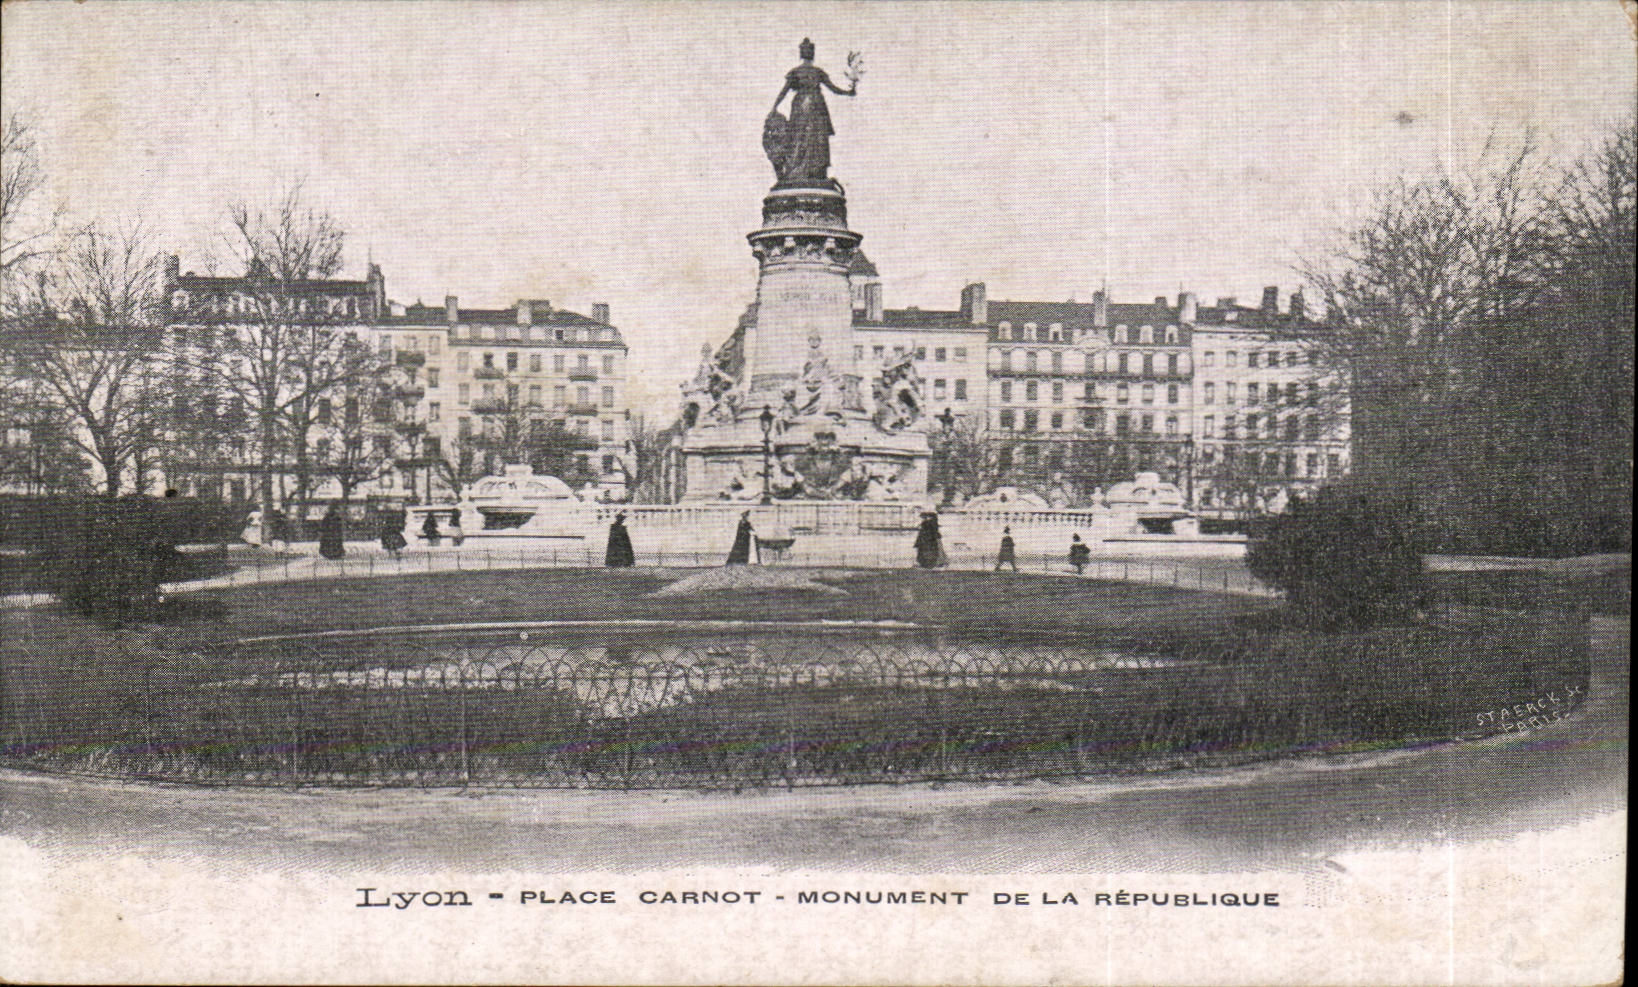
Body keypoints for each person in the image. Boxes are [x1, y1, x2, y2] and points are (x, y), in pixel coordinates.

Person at [765, 38, 857, 184]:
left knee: (799, 137)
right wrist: (848, 92)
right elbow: (833, 89)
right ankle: (815, 171)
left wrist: (774, 107)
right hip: (816, 105)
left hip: (801, 106)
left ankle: (798, 169)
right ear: (812, 54)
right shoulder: (817, 72)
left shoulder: (796, 72)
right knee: (816, 138)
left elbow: (784, 91)